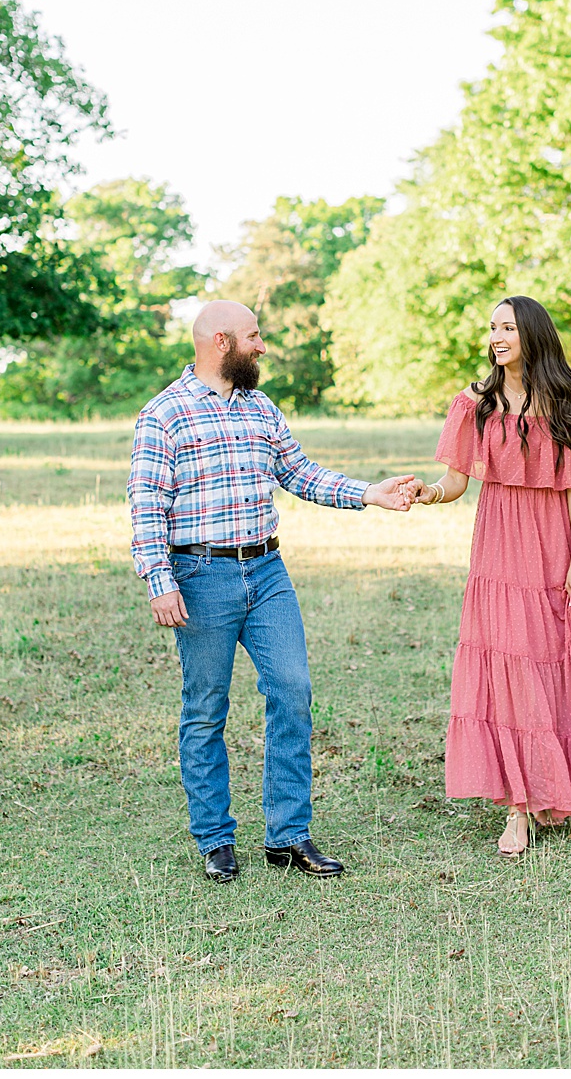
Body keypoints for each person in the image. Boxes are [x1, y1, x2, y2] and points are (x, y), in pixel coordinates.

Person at [130, 300, 419, 884]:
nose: (262, 346)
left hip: (267, 573)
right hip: (201, 577)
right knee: (206, 710)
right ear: (220, 341)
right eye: (253, 336)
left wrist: (370, 493)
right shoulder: (164, 415)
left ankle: (288, 837)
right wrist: (160, 582)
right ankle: (214, 839)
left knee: (293, 690)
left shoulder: (262, 407)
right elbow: (146, 505)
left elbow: (299, 473)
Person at [413, 295, 571, 856]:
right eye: (492, 327)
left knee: (554, 663)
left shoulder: (565, 400)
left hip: (553, 542)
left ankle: (553, 787)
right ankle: (518, 808)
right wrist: (430, 494)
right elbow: (457, 480)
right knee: (509, 667)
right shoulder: (474, 404)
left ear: (532, 334)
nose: (496, 336)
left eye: (507, 327)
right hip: (498, 544)